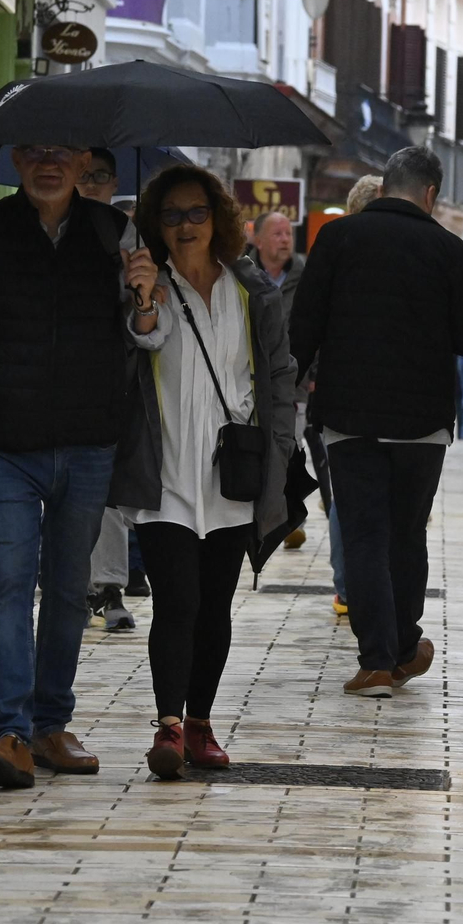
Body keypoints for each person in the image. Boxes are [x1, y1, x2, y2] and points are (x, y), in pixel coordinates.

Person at [0, 144, 160, 790]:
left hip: (88, 441)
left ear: (84, 160)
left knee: (65, 589)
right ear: (16, 159)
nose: (49, 165)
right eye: (35, 152)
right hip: (3, 441)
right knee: (9, 581)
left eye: (62, 153)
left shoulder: (117, 233)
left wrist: (144, 298)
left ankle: (51, 724)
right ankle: (11, 732)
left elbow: (146, 335)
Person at [114, 165, 297, 778]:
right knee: (177, 600)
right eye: (171, 215)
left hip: (231, 475)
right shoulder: (148, 283)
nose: (185, 226)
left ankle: (201, 724)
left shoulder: (251, 290)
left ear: (217, 218)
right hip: (164, 472)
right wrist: (142, 300)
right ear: (154, 226)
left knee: (215, 604)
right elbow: (139, 342)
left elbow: (275, 375)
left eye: (196, 213)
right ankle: (168, 726)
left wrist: (281, 448)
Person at [291, 147, 463, 697]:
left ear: (382, 189)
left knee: (364, 535)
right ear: (431, 195)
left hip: (348, 415)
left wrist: (286, 393)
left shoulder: (336, 239)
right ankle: (403, 647)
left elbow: (302, 327)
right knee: (407, 534)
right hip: (421, 421)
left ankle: (377, 660)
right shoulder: (448, 250)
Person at [75, 148, 143, 633]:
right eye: (85, 175)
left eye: (100, 176)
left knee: (109, 490)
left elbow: (143, 306)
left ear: (114, 180)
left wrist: (133, 280)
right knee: (67, 489)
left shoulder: (127, 234)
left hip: (114, 374)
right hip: (59, 378)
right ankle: (74, 582)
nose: (91, 183)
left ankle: (111, 585)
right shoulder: (49, 230)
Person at [322, 174, 385, 619]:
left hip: (340, 390)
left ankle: (347, 584)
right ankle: (360, 584)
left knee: (347, 494)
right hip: (382, 397)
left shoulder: (334, 249)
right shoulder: (388, 256)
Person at [252, 210, 309, 550]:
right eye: (277, 234)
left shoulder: (304, 276)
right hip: (248, 381)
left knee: (289, 447)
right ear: (257, 240)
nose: (286, 240)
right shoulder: (241, 274)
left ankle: (287, 518)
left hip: (293, 382)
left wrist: (310, 375)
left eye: (288, 233)